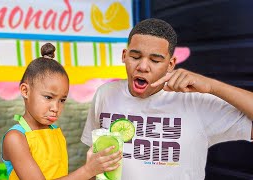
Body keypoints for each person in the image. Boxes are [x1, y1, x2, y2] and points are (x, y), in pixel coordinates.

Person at [81, 18, 253, 180]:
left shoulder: (196, 101)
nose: (142, 67)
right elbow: (93, 158)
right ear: (124, 56)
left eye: (155, 60)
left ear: (170, 65)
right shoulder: (105, 94)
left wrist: (212, 86)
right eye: (135, 57)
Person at [2, 43, 122, 180]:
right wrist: (87, 170)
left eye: (62, 100)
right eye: (48, 97)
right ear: (25, 91)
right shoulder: (15, 138)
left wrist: (95, 168)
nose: (55, 108)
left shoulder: (55, 132)